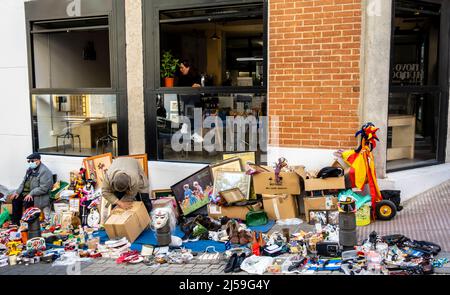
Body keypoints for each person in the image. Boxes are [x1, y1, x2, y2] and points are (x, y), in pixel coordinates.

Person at [10, 153, 53, 225]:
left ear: (38, 161)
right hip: (26, 193)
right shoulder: (30, 170)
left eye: (32, 161)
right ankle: (16, 223)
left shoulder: (44, 171)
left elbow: (44, 188)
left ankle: (28, 223)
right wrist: (17, 192)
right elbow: (23, 182)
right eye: (29, 161)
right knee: (15, 199)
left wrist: (31, 193)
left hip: (37, 196)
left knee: (28, 201)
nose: (30, 163)